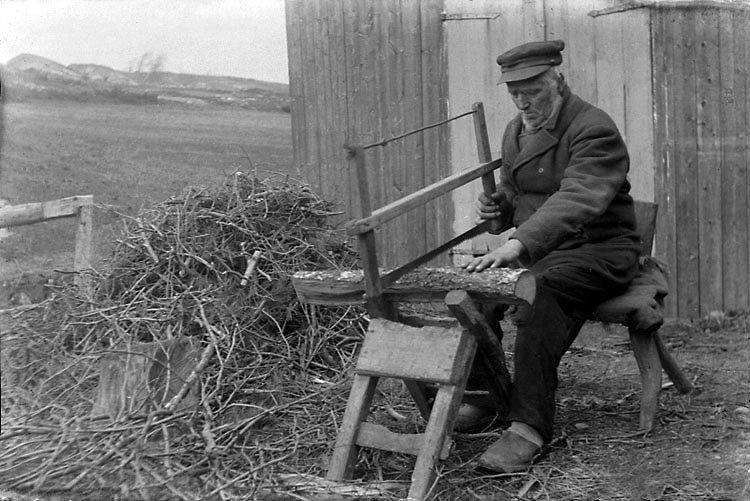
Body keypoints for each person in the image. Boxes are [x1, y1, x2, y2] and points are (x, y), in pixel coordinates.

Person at [461, 40, 641, 473]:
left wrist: (517, 243)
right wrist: (499, 208)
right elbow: (516, 191)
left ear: (558, 82)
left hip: (599, 251)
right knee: (475, 291)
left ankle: (528, 426)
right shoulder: (516, 130)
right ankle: (485, 397)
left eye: (533, 91)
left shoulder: (593, 128)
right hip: (546, 251)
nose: (524, 103)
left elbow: (577, 197)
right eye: (515, 93)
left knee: (538, 292)